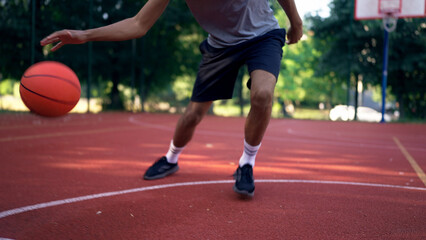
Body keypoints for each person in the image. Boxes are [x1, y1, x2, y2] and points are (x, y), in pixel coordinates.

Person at [41, 0, 303, 197]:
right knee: (192, 115)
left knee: (262, 94)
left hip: (263, 36)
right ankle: (171, 158)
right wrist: (84, 35)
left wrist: (296, 22)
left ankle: (246, 163)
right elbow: (138, 24)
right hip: (220, 46)